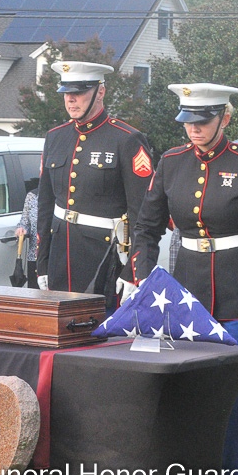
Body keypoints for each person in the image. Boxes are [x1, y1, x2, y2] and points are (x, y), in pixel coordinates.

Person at [120, 83, 238, 475]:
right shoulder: (171, 163)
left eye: (203, 121)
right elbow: (146, 228)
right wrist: (142, 277)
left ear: (225, 118)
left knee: (235, 402)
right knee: (190, 395)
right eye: (187, 121)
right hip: (187, 298)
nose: (194, 129)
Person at [37, 61, 153, 309]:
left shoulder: (127, 139)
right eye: (66, 93)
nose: (70, 99)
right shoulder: (55, 137)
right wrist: (42, 261)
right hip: (60, 257)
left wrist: (134, 270)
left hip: (104, 260)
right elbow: (45, 205)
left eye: (78, 92)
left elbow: (143, 214)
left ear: (100, 91)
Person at [15, 187, 39, 289]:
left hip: (56, 257)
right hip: (35, 257)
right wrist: (22, 229)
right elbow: (25, 222)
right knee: (35, 294)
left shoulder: (61, 196)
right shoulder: (32, 196)